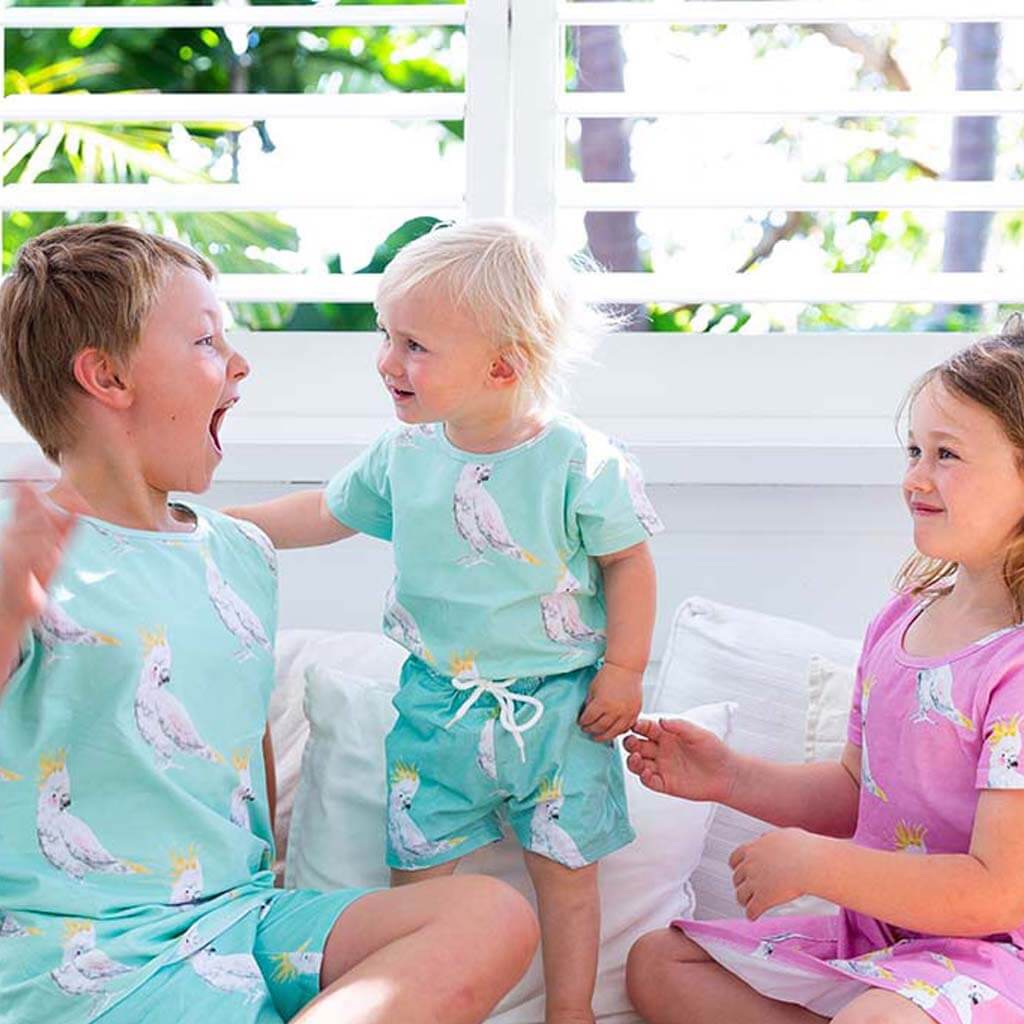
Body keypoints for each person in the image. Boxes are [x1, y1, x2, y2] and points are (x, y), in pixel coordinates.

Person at [0, 223, 538, 1024]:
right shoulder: (19, 550)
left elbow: (243, 752)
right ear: (107, 376)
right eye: (208, 340)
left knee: (489, 916)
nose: (242, 363)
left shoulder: (241, 553)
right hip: (84, 959)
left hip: (244, 922)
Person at [226, 219, 662, 1024]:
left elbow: (628, 563)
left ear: (503, 365)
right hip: (438, 707)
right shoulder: (406, 455)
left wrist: (625, 670)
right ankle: (410, 998)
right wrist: (225, 524)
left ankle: (572, 1012)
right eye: (386, 334)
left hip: (560, 708)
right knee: (418, 874)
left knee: (567, 876)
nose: (388, 360)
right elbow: (325, 512)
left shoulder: (581, 463)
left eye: (416, 344)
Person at [624, 320, 1024, 1024]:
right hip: (874, 942)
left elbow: (995, 892)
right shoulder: (900, 621)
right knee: (659, 965)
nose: (915, 477)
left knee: (878, 1018)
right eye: (914, 449)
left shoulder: (1015, 667)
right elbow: (852, 790)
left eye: (948, 454)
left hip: (989, 962)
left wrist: (815, 866)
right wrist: (729, 777)